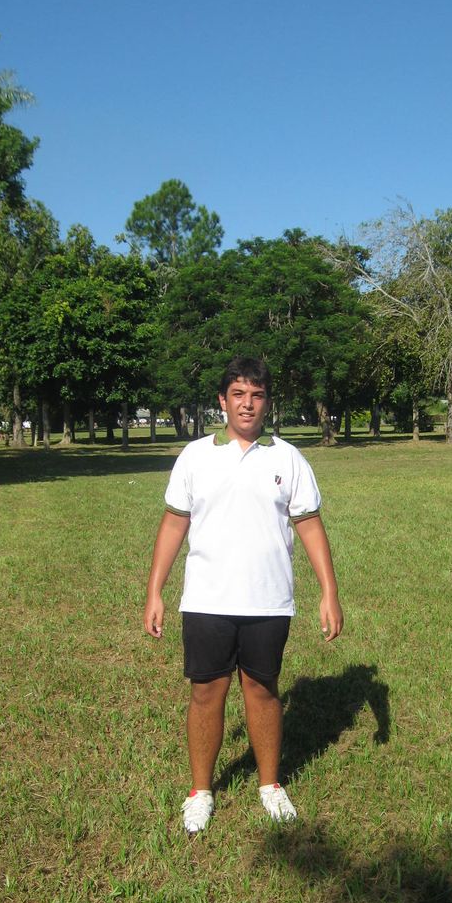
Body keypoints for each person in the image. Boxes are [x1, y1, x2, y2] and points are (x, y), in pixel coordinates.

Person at [143, 357, 343, 834]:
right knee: (206, 692)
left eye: (256, 395)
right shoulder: (195, 456)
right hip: (207, 600)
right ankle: (201, 791)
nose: (247, 404)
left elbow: (310, 526)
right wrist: (155, 591)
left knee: (262, 689)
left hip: (268, 601)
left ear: (267, 402)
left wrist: (329, 592)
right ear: (222, 400)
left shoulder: (288, 459)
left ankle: (270, 785)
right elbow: (173, 524)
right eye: (238, 394)